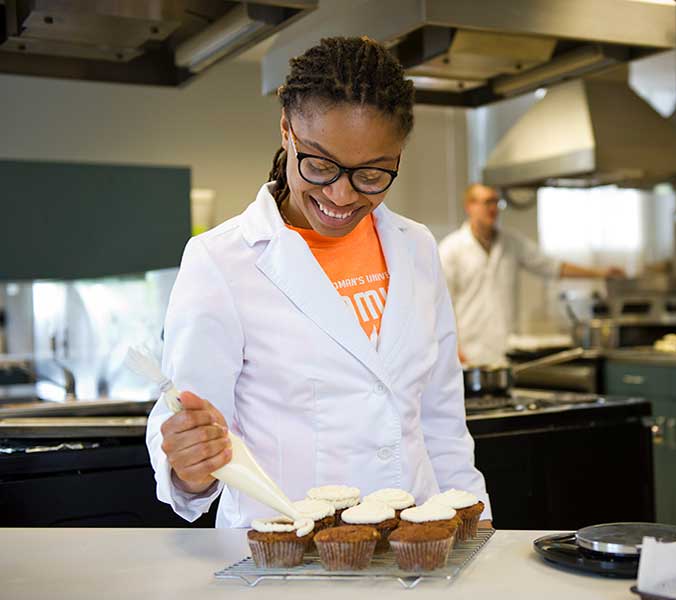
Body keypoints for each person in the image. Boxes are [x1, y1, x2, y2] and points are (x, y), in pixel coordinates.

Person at [145, 37, 491, 528]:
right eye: (321, 165)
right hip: (288, 557)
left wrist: (476, 530)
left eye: (372, 174)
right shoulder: (221, 261)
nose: (341, 195)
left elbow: (442, 424)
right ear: (287, 129)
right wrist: (190, 467)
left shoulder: (416, 247)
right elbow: (189, 430)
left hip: (417, 549)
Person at [439, 184, 624, 366]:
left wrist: (600, 273)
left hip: (505, 350)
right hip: (467, 352)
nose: (493, 208)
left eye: (496, 202)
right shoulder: (451, 249)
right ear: (469, 206)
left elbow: (551, 267)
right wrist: (452, 347)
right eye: (487, 202)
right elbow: (440, 303)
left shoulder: (511, 243)